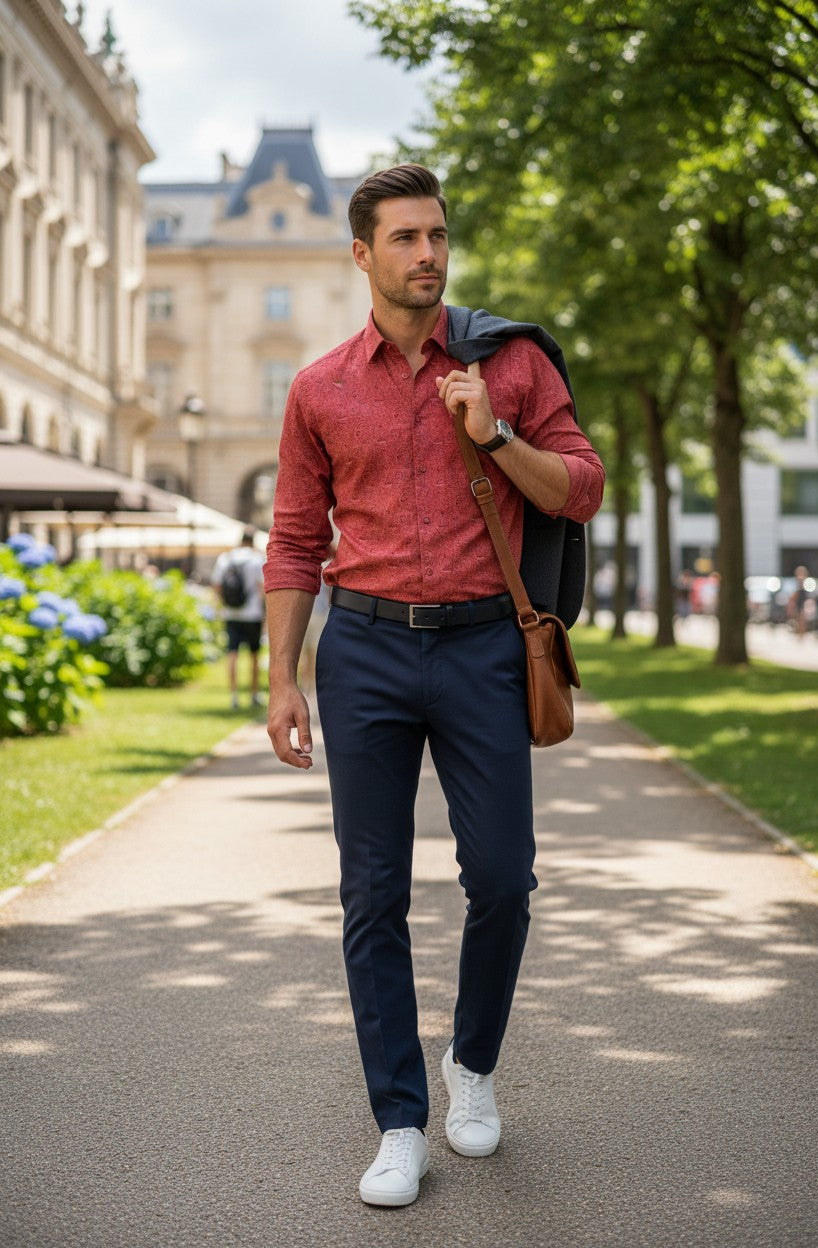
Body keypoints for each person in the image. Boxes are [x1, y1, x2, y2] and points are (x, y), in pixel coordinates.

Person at [263, 164, 604, 1207]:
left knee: (502, 877)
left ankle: (474, 1062)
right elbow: (292, 538)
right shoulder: (319, 387)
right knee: (372, 894)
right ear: (361, 255)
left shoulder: (508, 365)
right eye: (405, 237)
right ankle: (399, 1118)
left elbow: (582, 487)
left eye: (438, 235)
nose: (427, 254)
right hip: (361, 647)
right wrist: (282, 677)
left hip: (480, 649)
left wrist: (492, 435)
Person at [210, 525, 265, 709]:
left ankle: (234, 696)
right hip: (252, 614)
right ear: (253, 541)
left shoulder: (226, 558)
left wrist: (221, 606)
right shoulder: (257, 559)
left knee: (232, 653)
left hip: (231, 613)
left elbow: (216, 586)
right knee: (254, 655)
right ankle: (254, 694)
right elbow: (261, 589)